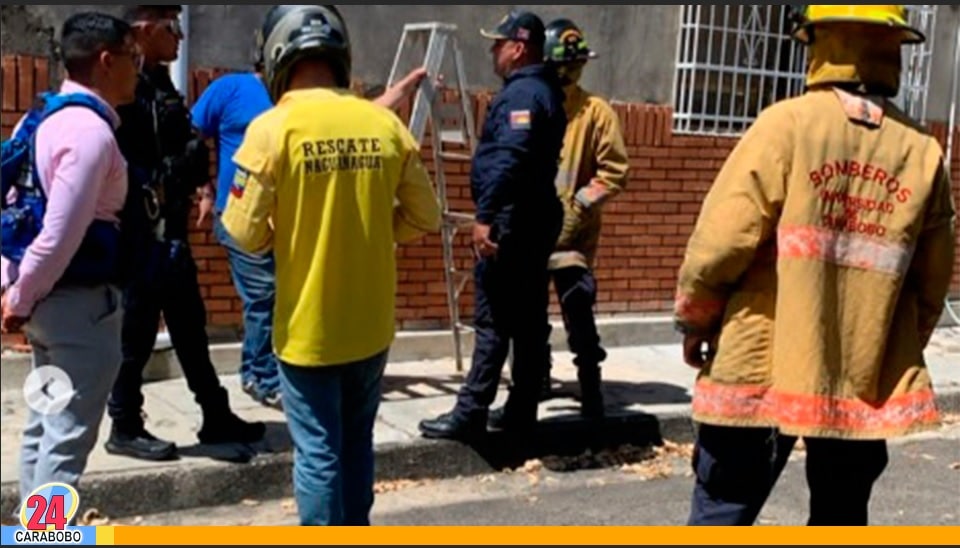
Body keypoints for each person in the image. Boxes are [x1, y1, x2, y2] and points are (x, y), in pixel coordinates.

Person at [674, 4, 956, 526]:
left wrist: (696, 318)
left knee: (724, 510)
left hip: (761, 361)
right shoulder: (922, 152)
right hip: (860, 373)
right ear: (892, 47)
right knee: (842, 514)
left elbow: (721, 241)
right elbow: (931, 281)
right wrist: (890, 342)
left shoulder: (784, 125)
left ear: (820, 44)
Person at [221, 5, 441, 526]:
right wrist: (373, 233)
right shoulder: (384, 125)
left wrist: (296, 232)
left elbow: (243, 232)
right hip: (370, 326)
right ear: (341, 54)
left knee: (318, 450)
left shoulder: (271, 130)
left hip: (308, 330)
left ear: (276, 56)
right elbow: (426, 217)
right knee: (357, 439)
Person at [191, 25, 438, 412]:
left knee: (289, 297)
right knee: (265, 296)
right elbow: (190, 138)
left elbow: (364, 119)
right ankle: (261, 374)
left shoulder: (329, 109)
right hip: (243, 216)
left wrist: (404, 88)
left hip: (296, 224)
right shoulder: (231, 90)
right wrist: (203, 188)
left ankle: (282, 367)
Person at [105, 4, 265, 462]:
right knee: (135, 334)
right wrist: (171, 175)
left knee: (191, 329)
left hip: (169, 229)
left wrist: (195, 182)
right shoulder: (127, 86)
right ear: (146, 30)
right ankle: (125, 423)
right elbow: (129, 160)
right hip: (142, 232)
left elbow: (176, 140)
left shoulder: (159, 81)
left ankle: (215, 414)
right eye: (171, 27)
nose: (178, 36)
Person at [0, 10, 139, 510]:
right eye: (133, 57)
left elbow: (16, 209)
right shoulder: (89, 133)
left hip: (45, 312)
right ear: (106, 61)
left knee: (43, 425)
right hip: (78, 311)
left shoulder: (39, 119)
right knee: (66, 439)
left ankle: (27, 530)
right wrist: (18, 295)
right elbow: (59, 232)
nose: (137, 69)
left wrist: (14, 289)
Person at [418, 10, 567, 440]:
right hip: (532, 219)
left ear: (518, 48)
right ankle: (521, 410)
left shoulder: (523, 95)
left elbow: (511, 156)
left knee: (495, 321)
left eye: (498, 44)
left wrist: (486, 217)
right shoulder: (544, 90)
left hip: (512, 222)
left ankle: (470, 413)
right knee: (526, 320)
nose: (492, 51)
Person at [532, 18, 629, 418]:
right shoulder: (536, 104)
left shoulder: (596, 113)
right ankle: (535, 379)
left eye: (575, 67)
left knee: (578, 312)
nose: (569, 75)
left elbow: (614, 172)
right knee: (531, 319)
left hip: (573, 239)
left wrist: (580, 206)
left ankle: (591, 387)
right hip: (533, 235)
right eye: (563, 67)